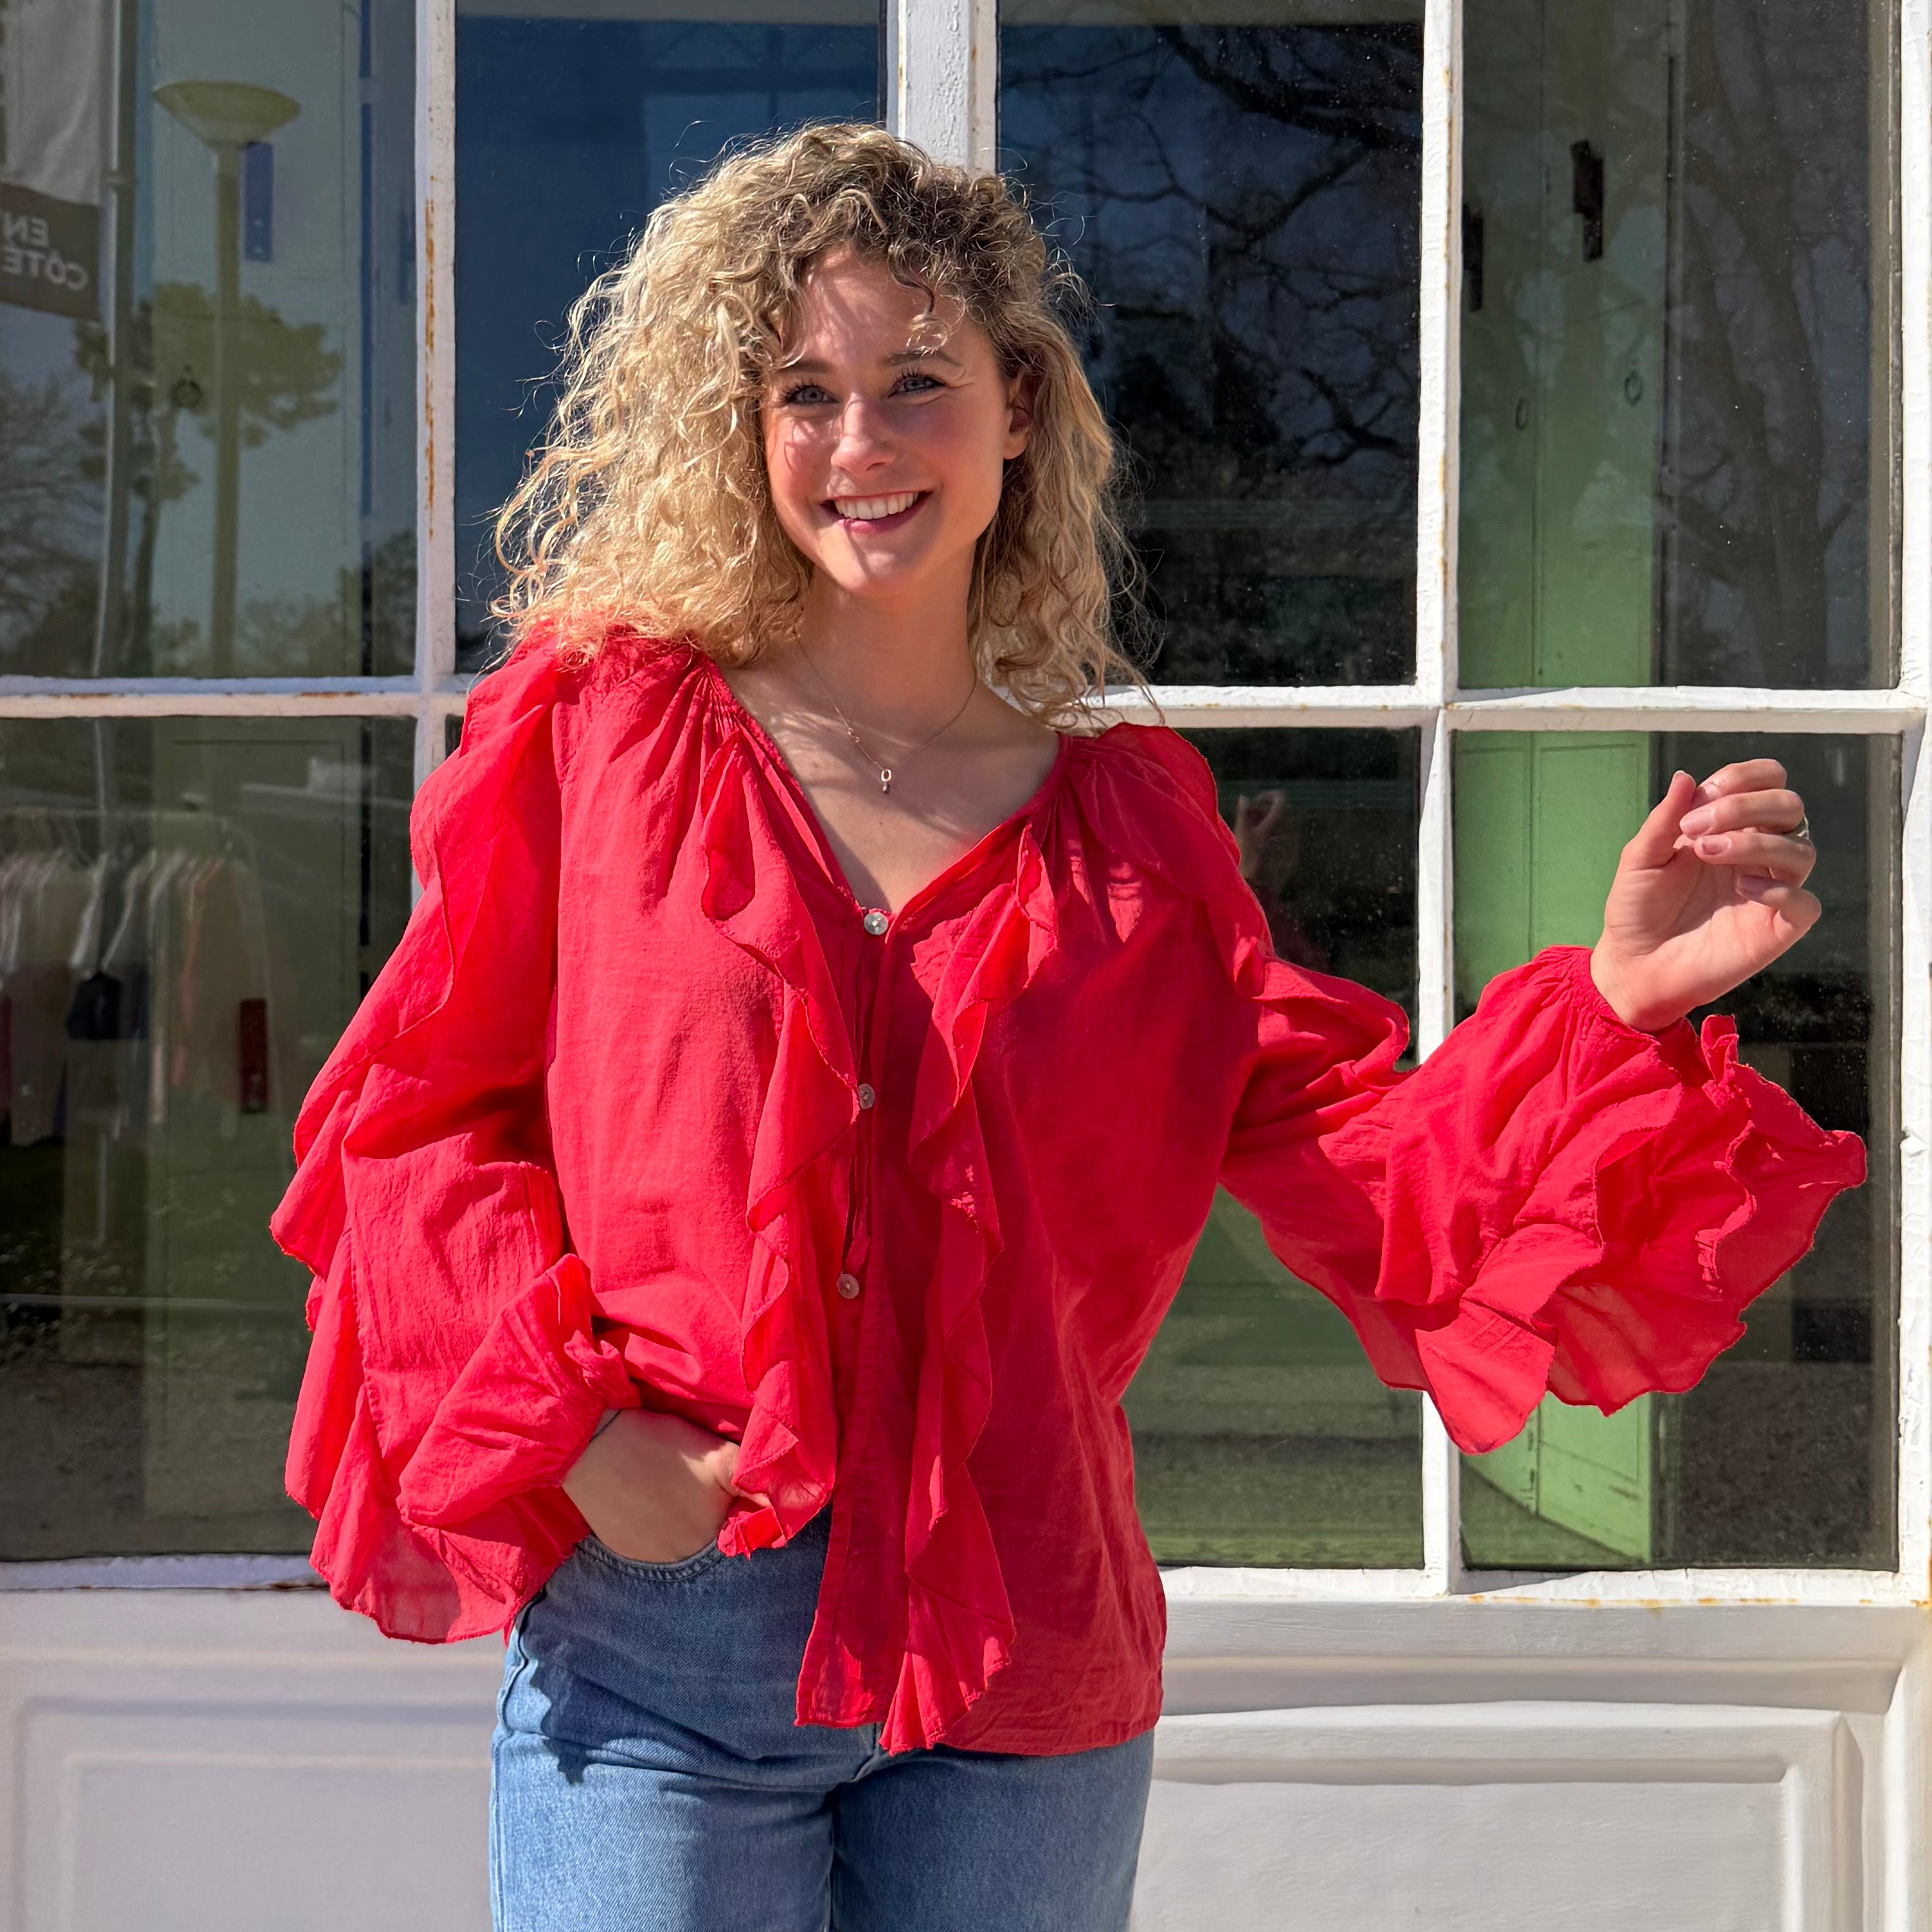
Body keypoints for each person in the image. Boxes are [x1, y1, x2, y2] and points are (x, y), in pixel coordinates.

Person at [267, 124, 1865, 1932]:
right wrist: (569, 1436)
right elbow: (412, 1122)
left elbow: (1363, 1158)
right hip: (671, 1654)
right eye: (804, 391)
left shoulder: (1132, 833)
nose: (859, 446)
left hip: (1027, 1665)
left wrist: (1616, 999)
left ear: (1016, 407)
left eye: (915, 382)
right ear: (744, 427)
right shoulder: (602, 737)